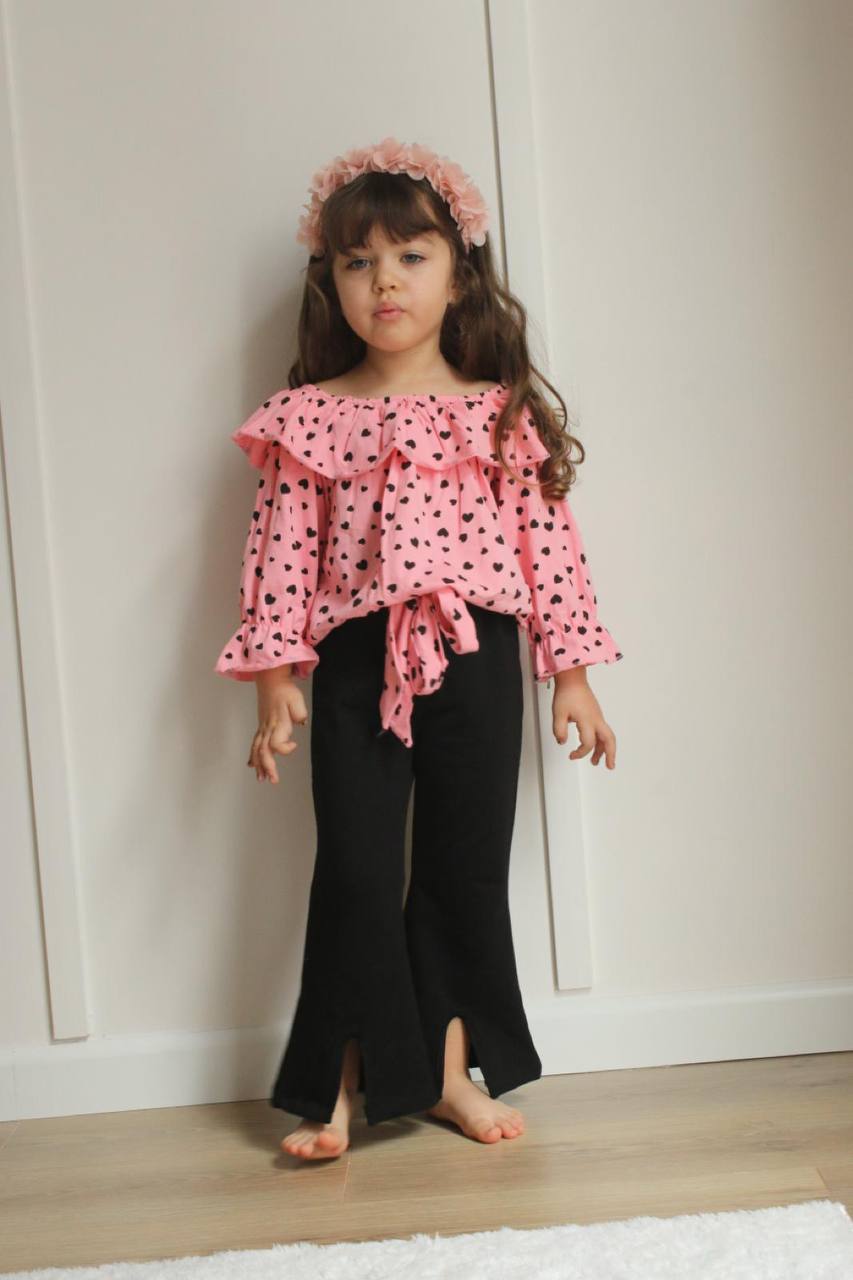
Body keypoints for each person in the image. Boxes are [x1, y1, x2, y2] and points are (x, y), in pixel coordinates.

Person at [214, 136, 624, 1161]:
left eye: (409, 256)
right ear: (332, 282)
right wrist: (274, 677)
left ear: (458, 274)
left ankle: (444, 1074)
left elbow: (549, 551)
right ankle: (342, 1080)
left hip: (478, 658)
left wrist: (571, 676)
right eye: (358, 262)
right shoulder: (310, 417)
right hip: (357, 661)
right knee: (354, 871)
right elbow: (278, 557)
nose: (384, 281)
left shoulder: (498, 413)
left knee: (461, 871)